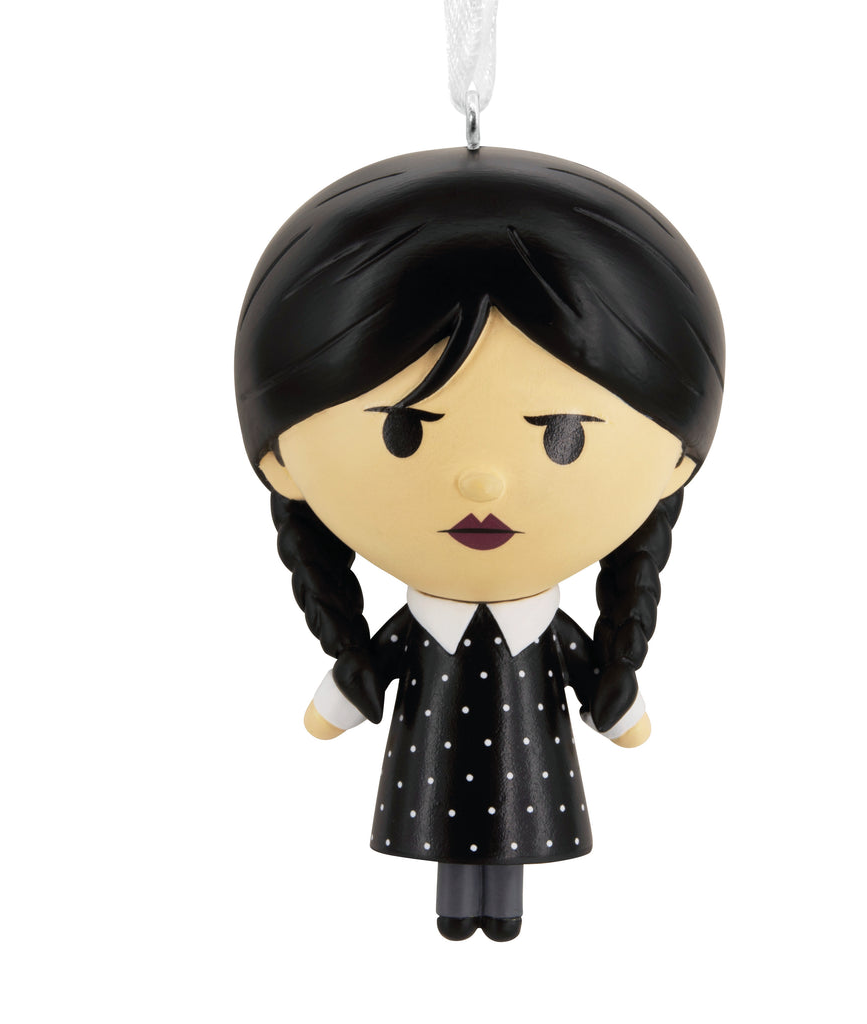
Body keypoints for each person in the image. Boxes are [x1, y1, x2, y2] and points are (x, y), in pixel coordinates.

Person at [235, 146, 725, 940]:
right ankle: (461, 906)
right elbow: (367, 674)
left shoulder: (543, 635)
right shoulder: (425, 631)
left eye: (563, 436)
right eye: (404, 431)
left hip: (526, 783)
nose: (484, 484)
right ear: (280, 459)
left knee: (504, 858)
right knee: (458, 863)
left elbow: (600, 684)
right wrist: (347, 687)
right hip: (435, 780)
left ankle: (501, 907)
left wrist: (617, 694)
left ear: (677, 459)